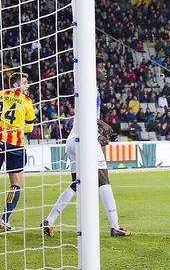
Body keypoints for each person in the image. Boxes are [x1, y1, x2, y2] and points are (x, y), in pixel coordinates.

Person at [42, 58, 131, 237]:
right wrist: (102, 126)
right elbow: (85, 114)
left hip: (73, 139)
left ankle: (49, 221)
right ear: (92, 69)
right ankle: (114, 226)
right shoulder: (91, 87)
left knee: (77, 184)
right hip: (84, 139)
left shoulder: (87, 87)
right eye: (101, 67)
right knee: (103, 178)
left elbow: (84, 116)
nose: (105, 70)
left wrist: (97, 134)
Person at [0, 73, 36, 231]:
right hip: (15, 145)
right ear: (15, 85)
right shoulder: (26, 101)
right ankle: (5, 219)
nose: (27, 86)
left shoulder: (0, 95)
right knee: (15, 184)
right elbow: (29, 127)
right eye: (25, 82)